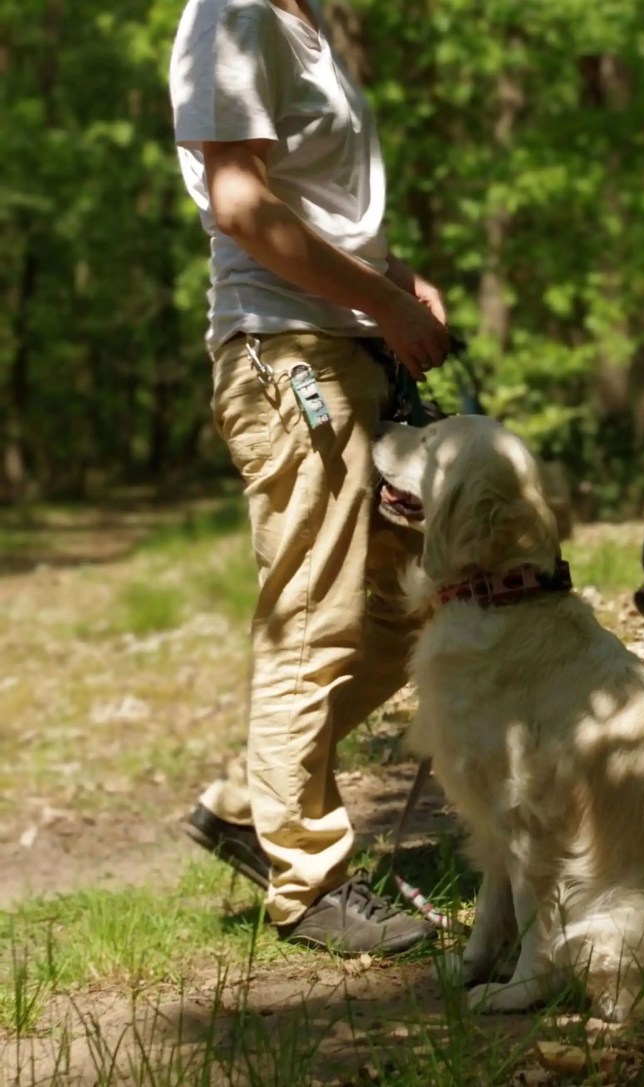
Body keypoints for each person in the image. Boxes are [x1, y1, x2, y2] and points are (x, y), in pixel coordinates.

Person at [168, 0, 451, 955]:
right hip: (288, 355)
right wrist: (377, 300)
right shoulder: (234, 13)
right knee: (313, 618)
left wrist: (390, 275)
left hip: (345, 338)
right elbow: (241, 204)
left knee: (406, 600)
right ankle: (309, 884)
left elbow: (306, 195)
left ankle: (256, 798)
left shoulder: (303, 21)